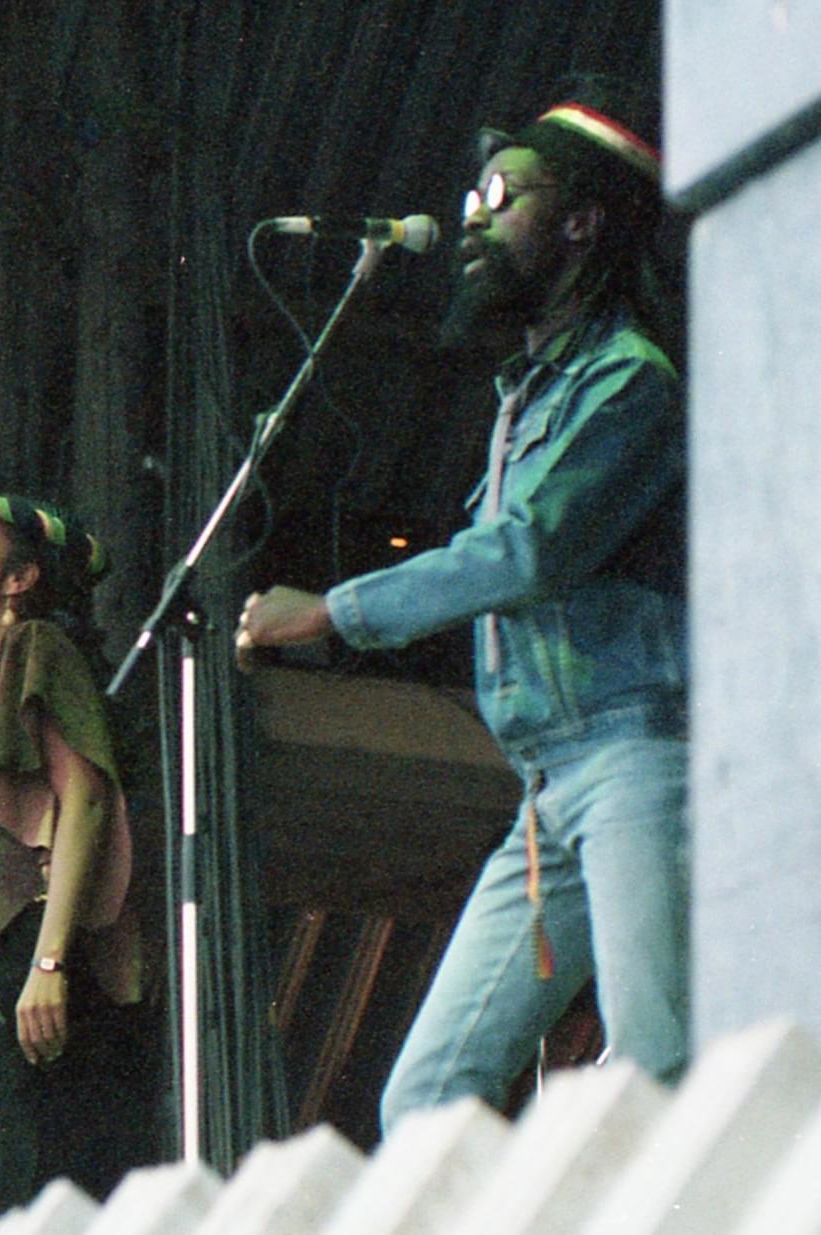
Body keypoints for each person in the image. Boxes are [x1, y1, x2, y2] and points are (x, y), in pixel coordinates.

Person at [235, 76, 688, 1134]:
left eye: (502, 194)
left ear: (578, 223)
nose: (473, 216)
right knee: (425, 1097)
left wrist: (332, 608)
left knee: (659, 1067)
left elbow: (528, 550)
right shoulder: (527, 389)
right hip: (546, 787)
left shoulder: (628, 381)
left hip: (635, 760)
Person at [0, 488, 153, 1231]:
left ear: (19, 580)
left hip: (37, 969)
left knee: (37, 1194)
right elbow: (12, 845)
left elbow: (84, 802)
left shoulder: (37, 649)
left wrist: (48, 966)